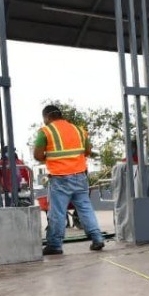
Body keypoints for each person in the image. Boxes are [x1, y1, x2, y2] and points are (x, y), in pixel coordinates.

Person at [34, 105, 104, 256]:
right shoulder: (79, 130)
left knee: (58, 212)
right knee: (85, 207)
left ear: (46, 117)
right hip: (80, 175)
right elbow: (88, 151)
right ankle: (97, 238)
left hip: (60, 178)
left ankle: (55, 245)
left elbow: (37, 155)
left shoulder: (45, 131)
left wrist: (50, 157)